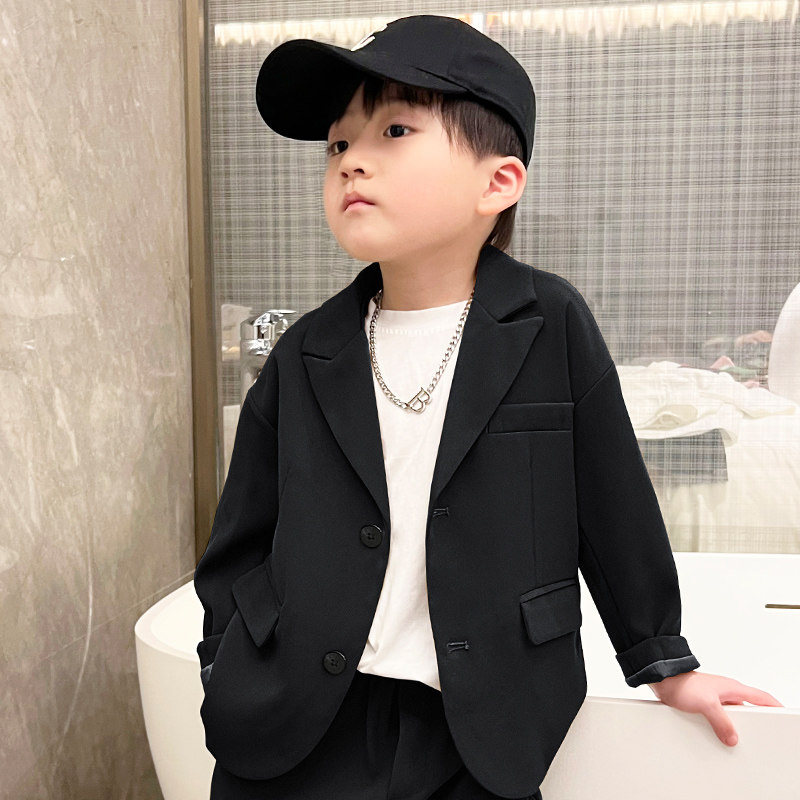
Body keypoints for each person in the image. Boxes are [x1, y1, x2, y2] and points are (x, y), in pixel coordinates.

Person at [193, 14, 782, 800]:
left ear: (497, 183)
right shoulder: (307, 351)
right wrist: (224, 660)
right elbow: (241, 535)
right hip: (298, 717)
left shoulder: (548, 323)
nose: (351, 162)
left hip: (481, 723)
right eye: (337, 145)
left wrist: (663, 660)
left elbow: (612, 504)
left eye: (393, 131)